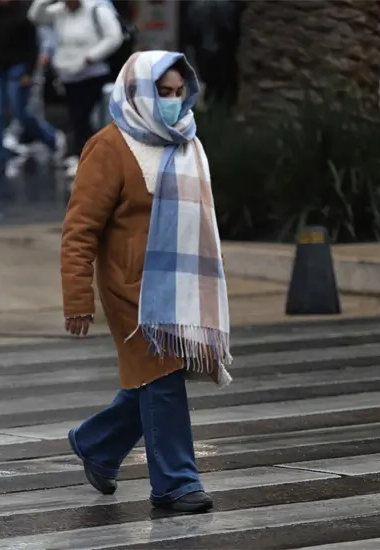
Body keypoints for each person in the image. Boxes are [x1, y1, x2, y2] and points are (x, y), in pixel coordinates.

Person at [60, 51, 232, 514]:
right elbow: (80, 230)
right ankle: (176, 483)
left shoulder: (186, 142)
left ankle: (97, 445)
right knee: (162, 377)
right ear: (137, 91)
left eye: (179, 93)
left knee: (155, 377)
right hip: (130, 288)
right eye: (164, 92)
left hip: (179, 284)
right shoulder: (109, 147)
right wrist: (78, 299)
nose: (174, 103)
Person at [29, 0, 124, 177]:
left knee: (84, 116)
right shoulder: (59, 12)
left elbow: (114, 37)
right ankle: (81, 153)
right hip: (68, 73)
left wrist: (91, 57)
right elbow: (35, 16)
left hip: (92, 73)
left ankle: (85, 156)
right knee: (75, 116)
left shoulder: (97, 9)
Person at [0, 0, 65, 171]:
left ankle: (51, 138)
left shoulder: (25, 16)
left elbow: (32, 47)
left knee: (21, 113)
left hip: (17, 68)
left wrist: (28, 72)